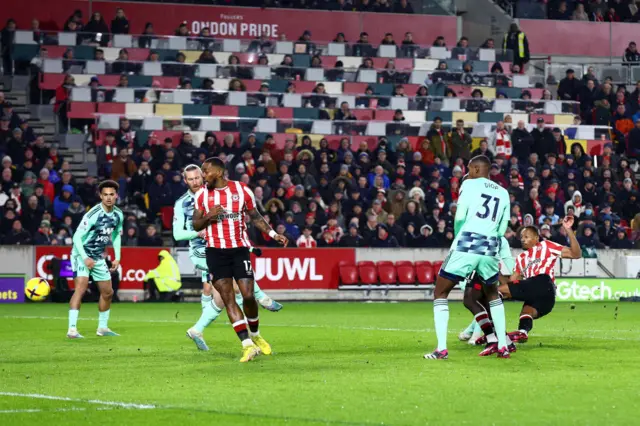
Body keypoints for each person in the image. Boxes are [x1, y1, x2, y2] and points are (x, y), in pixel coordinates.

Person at [174, 165, 282, 351]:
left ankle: (197, 329)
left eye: (198, 177)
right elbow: (177, 234)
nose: (196, 181)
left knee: (220, 297)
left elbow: (241, 222)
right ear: (185, 181)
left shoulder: (227, 192)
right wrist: (198, 232)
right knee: (234, 290)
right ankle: (260, 302)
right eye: (190, 179)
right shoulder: (183, 203)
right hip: (202, 250)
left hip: (227, 246)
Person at [425, 156, 511, 360]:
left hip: (468, 241)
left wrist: (458, 237)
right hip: (491, 245)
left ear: (474, 169)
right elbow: (502, 227)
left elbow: (460, 216)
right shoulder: (504, 192)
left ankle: (441, 349)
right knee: (492, 294)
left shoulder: (469, 184)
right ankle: (502, 346)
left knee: (440, 292)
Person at [504, 219, 581, 342]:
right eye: (521, 237)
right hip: (543, 297)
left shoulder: (546, 246)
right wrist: (497, 275)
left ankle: (489, 331)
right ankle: (522, 333)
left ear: (536, 238)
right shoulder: (520, 258)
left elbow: (576, 254)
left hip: (544, 283)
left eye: (526, 236)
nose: (522, 239)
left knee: (494, 292)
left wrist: (568, 230)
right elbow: (511, 283)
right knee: (525, 313)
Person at [67, 180, 124, 339]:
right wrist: (84, 258)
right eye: (105, 194)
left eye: (111, 194)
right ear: (100, 196)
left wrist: (117, 257)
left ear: (116, 196)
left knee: (107, 292)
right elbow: (77, 237)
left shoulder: (118, 214)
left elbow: (116, 235)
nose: (108, 198)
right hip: (81, 254)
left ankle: (103, 328)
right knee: (81, 288)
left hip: (98, 257)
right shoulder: (92, 214)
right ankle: (72, 330)